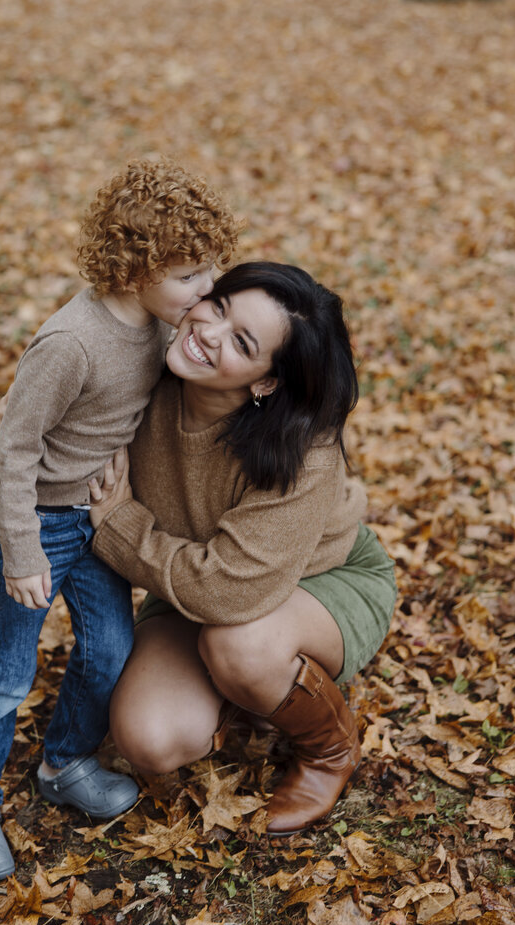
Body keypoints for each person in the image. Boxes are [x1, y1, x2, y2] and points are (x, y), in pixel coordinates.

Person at [0, 160, 240, 885]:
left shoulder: (164, 330)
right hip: (36, 522)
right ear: (132, 268)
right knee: (4, 671)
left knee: (109, 651)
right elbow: (14, 445)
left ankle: (64, 759)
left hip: (98, 521)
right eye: (187, 275)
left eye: (211, 269)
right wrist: (18, 551)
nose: (206, 291)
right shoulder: (72, 342)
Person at [87, 261, 397, 836]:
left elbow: (229, 591)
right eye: (221, 307)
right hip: (187, 576)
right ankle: (241, 692)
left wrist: (120, 524)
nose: (208, 333)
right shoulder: (144, 362)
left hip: (319, 579)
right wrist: (5, 425)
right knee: (150, 741)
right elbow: (49, 407)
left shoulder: (303, 452)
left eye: (242, 342)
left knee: (241, 644)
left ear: (266, 381)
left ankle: (327, 750)